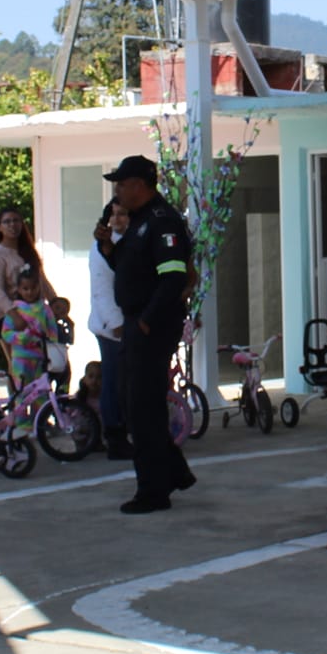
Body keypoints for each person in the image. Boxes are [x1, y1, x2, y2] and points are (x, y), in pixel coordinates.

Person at [105, 155, 196, 514]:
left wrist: (147, 320)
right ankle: (173, 470)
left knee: (143, 409)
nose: (118, 190)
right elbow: (133, 271)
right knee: (136, 405)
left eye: (122, 184)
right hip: (136, 323)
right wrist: (108, 249)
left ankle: (153, 491)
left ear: (140, 185)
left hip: (151, 326)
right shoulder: (140, 221)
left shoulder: (162, 221)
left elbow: (173, 275)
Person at [87, 201, 130, 458]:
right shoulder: (100, 248)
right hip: (112, 327)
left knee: (127, 383)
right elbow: (101, 290)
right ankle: (114, 436)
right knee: (114, 383)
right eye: (114, 215)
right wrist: (116, 324)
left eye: (123, 213)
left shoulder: (133, 241)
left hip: (132, 323)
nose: (119, 219)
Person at [1, 265, 63, 391]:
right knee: (21, 396)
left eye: (33, 288)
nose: (30, 292)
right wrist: (21, 337)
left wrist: (51, 347)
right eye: (25, 288)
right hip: (20, 359)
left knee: (40, 396)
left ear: (39, 286)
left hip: (41, 360)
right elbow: (6, 333)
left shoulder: (45, 309)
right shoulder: (15, 310)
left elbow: (53, 333)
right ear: (19, 289)